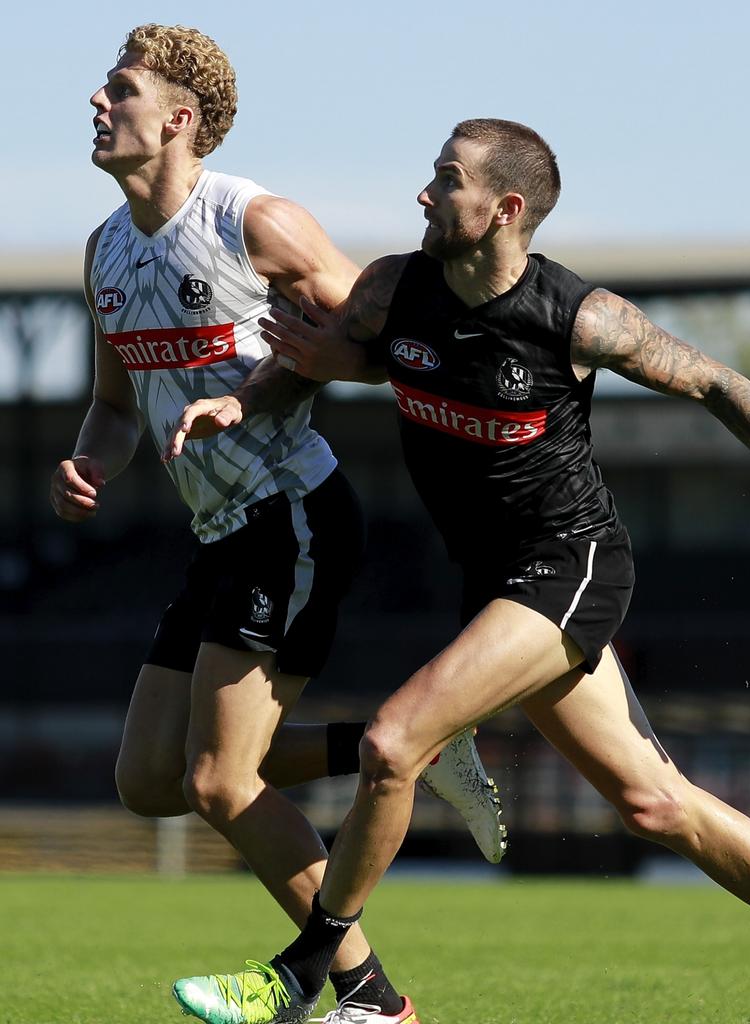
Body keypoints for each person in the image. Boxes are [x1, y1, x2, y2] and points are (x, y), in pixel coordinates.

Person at [169, 116, 750, 1024]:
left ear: (504, 209)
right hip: (495, 586)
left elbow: (720, 384)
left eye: (447, 179)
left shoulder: (580, 316)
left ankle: (329, 981)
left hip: (571, 568)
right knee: (655, 807)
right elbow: (332, 359)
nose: (424, 193)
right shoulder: (391, 287)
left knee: (393, 740)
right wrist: (237, 400)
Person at [49, 27, 506, 1024]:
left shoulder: (255, 221)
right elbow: (116, 408)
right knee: (149, 780)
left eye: (118, 89)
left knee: (218, 779)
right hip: (220, 531)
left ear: (178, 119)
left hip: (294, 515)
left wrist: (270, 387)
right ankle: (409, 746)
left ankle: (370, 998)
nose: (95, 101)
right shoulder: (105, 252)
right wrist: (90, 458)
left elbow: (388, 339)